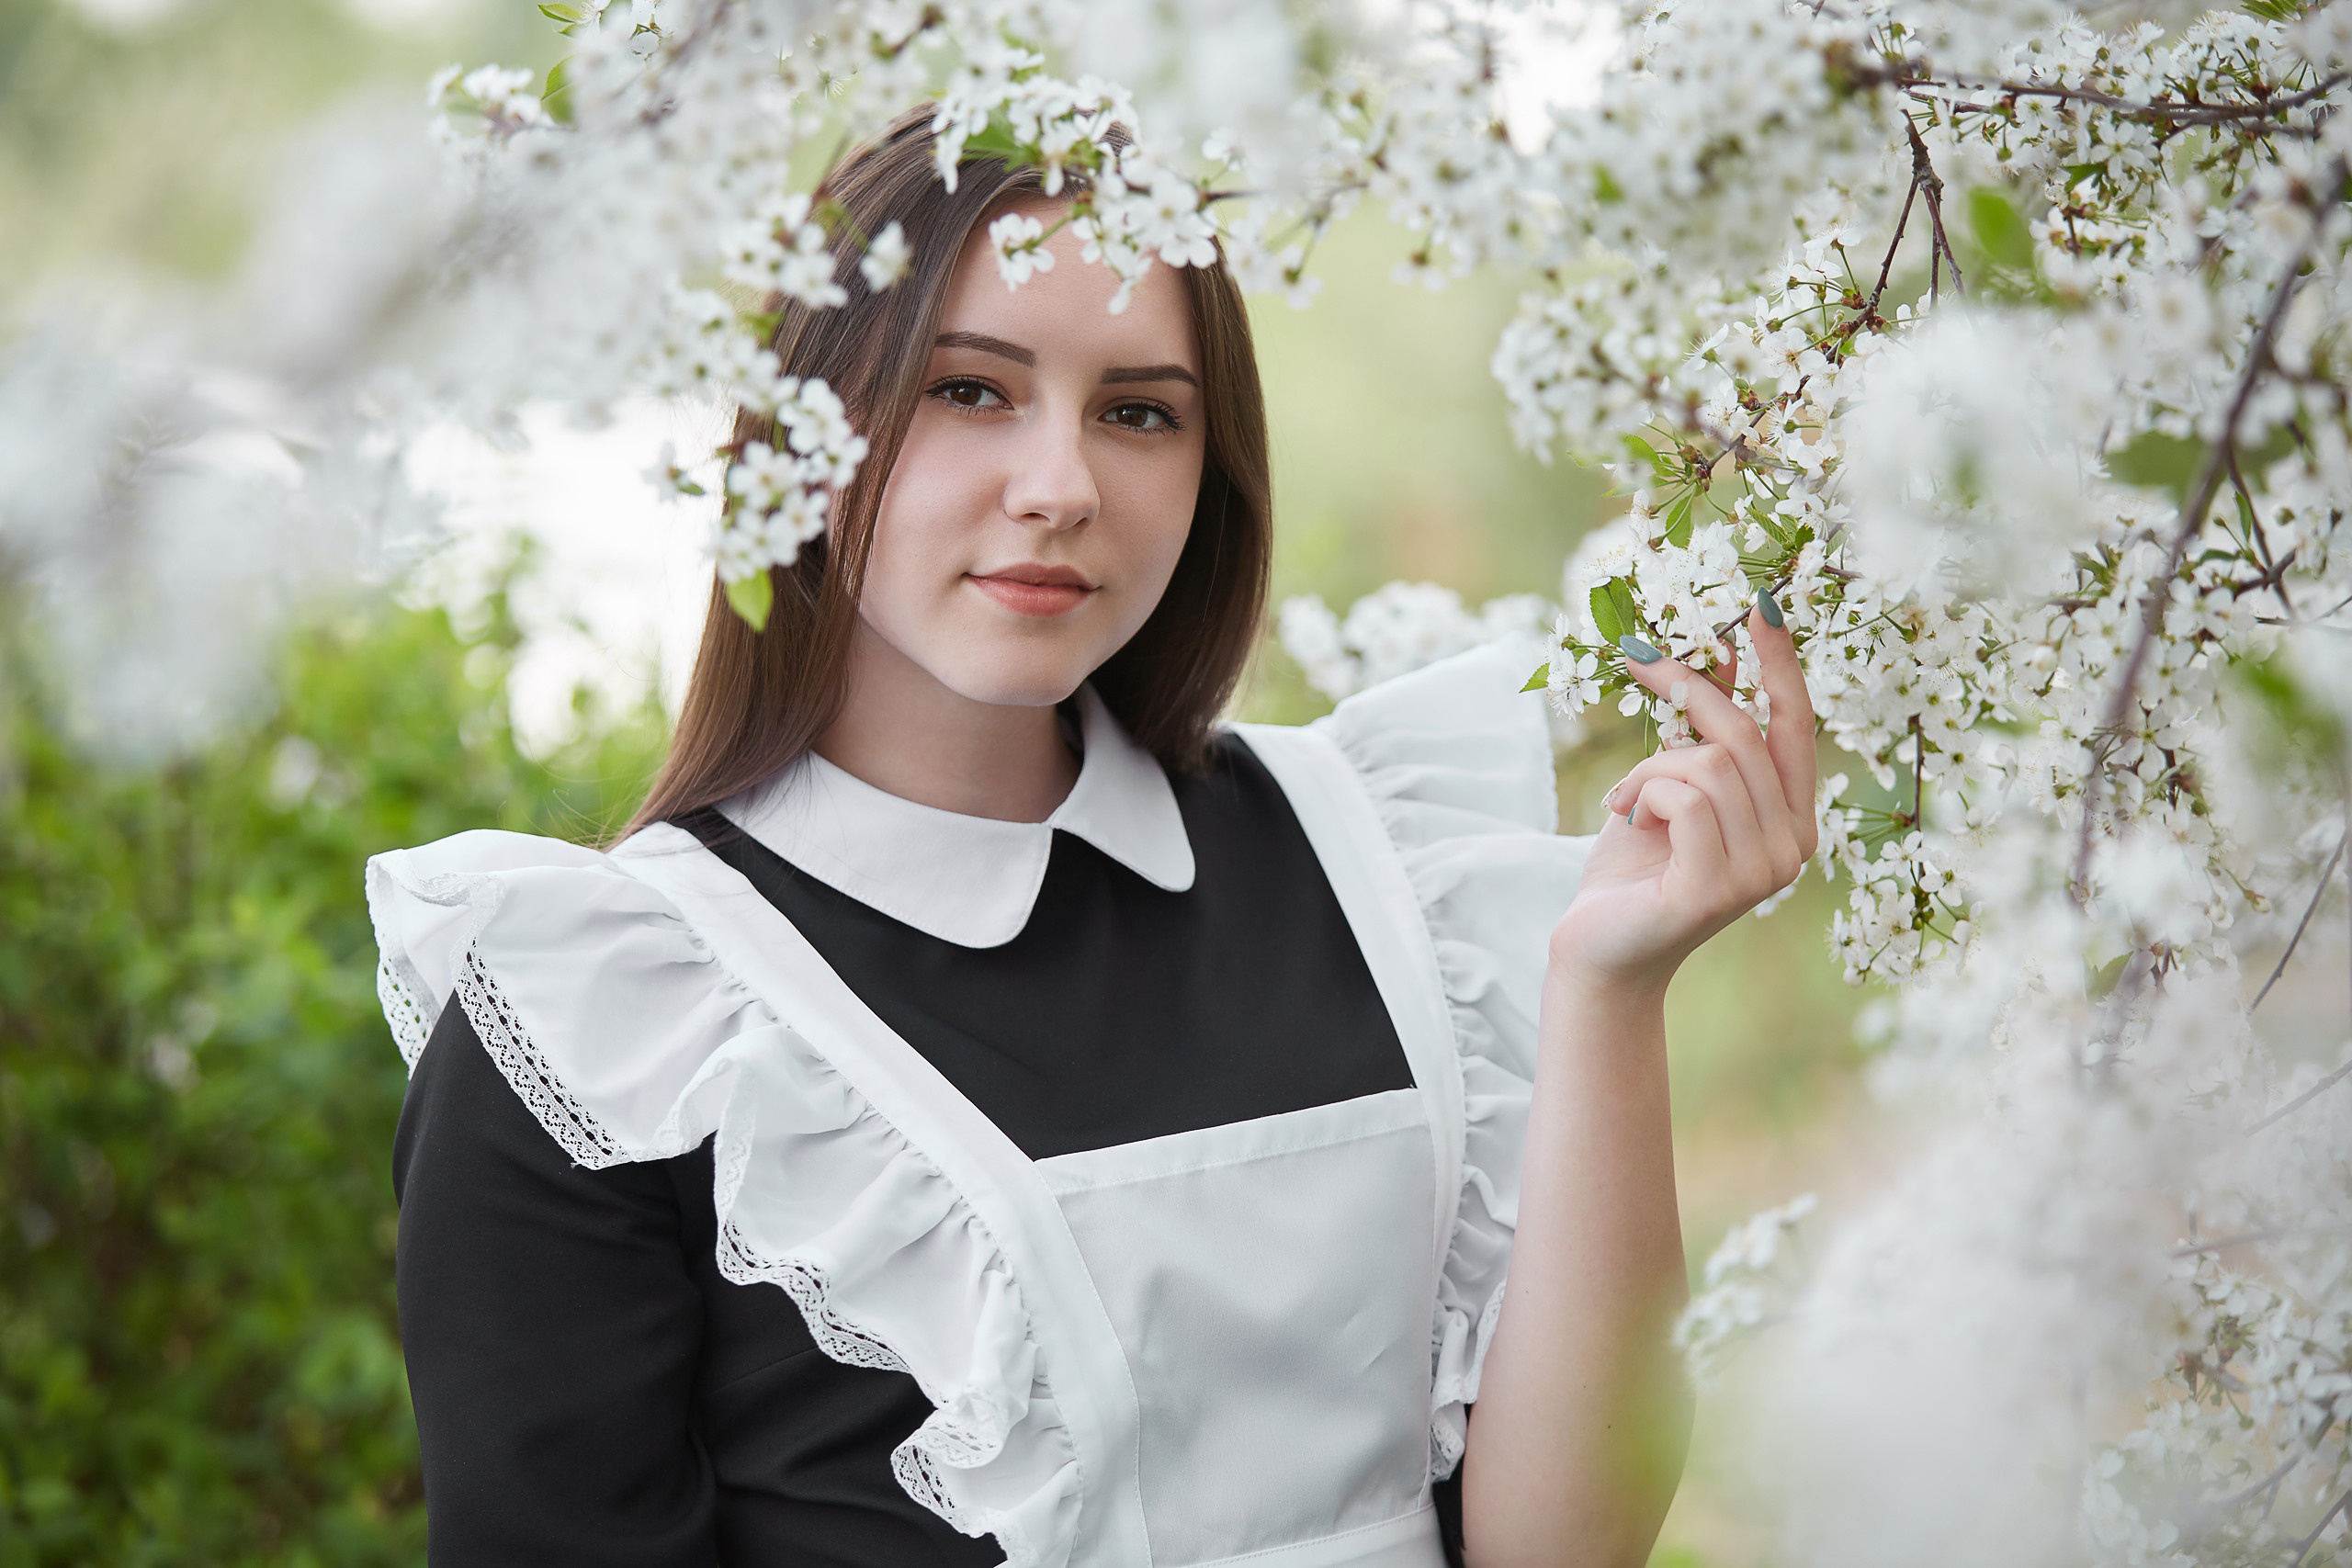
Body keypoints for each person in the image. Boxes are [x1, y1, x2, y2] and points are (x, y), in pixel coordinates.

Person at [367, 105, 1819, 1568]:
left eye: (1140, 412)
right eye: (969, 391)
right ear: (806, 425)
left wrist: (1611, 990)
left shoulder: (1381, 869)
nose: (1061, 487)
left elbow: (1565, 1552)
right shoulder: (609, 1023)